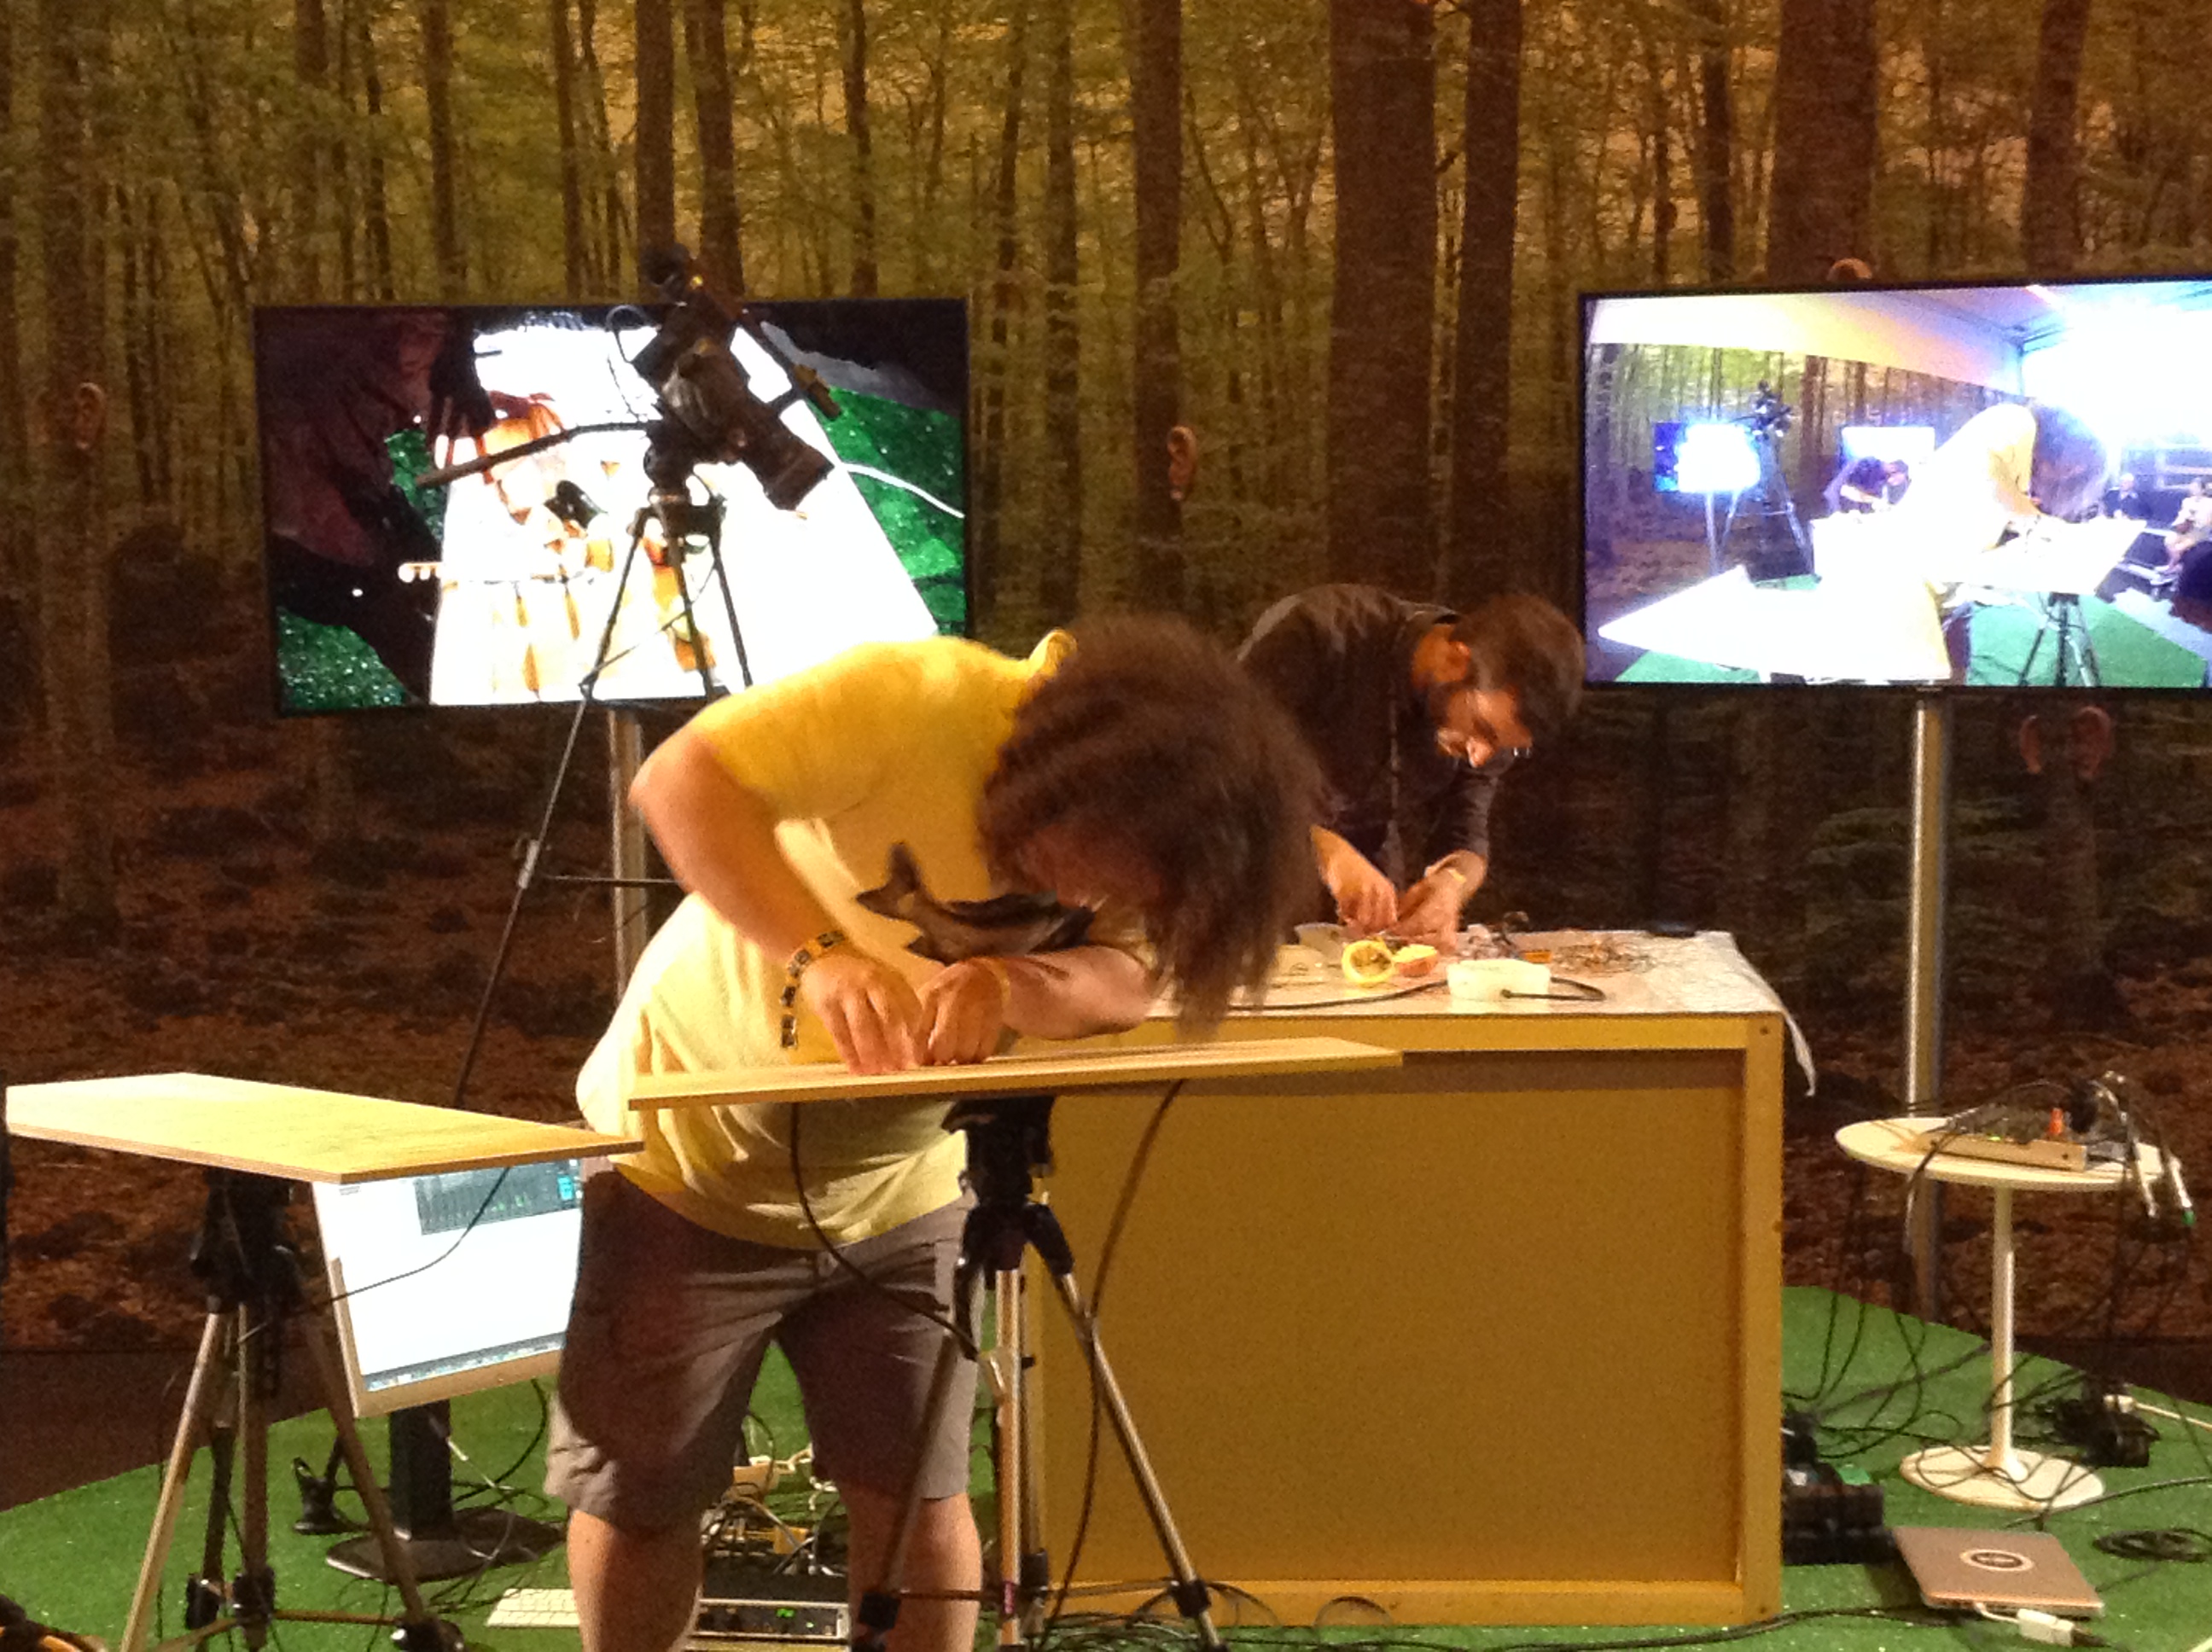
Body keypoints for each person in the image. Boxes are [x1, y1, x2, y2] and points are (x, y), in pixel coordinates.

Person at [545, 615, 1322, 1652]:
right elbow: (680, 783)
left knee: (916, 1494)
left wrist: (1012, 982)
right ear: (1070, 783)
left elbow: (1127, 980)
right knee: (642, 1494)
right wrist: (820, 954)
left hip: (904, 1189)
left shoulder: (1166, 822)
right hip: (688, 1162)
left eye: (1119, 888)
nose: (1081, 898)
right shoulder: (920, 696)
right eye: (1087, 863)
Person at [1237, 584, 1584, 949]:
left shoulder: (1490, 713)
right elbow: (1222, 778)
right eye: (1483, 729)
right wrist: (1327, 853)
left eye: (1504, 748)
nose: (1481, 757)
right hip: (1244, 870)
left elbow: (1465, 833)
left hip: (1367, 875)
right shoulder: (1316, 635)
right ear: (1455, 661)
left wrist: (1452, 885)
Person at [1885, 401, 2111, 682]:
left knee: (1954, 674)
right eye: (2074, 465)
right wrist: (2043, 524)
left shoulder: (2015, 469)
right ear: (2062, 444)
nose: (2069, 474)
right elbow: (1985, 473)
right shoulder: (2014, 419)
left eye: (2077, 473)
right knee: (1909, 689)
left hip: (1947, 598)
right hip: (1907, 593)